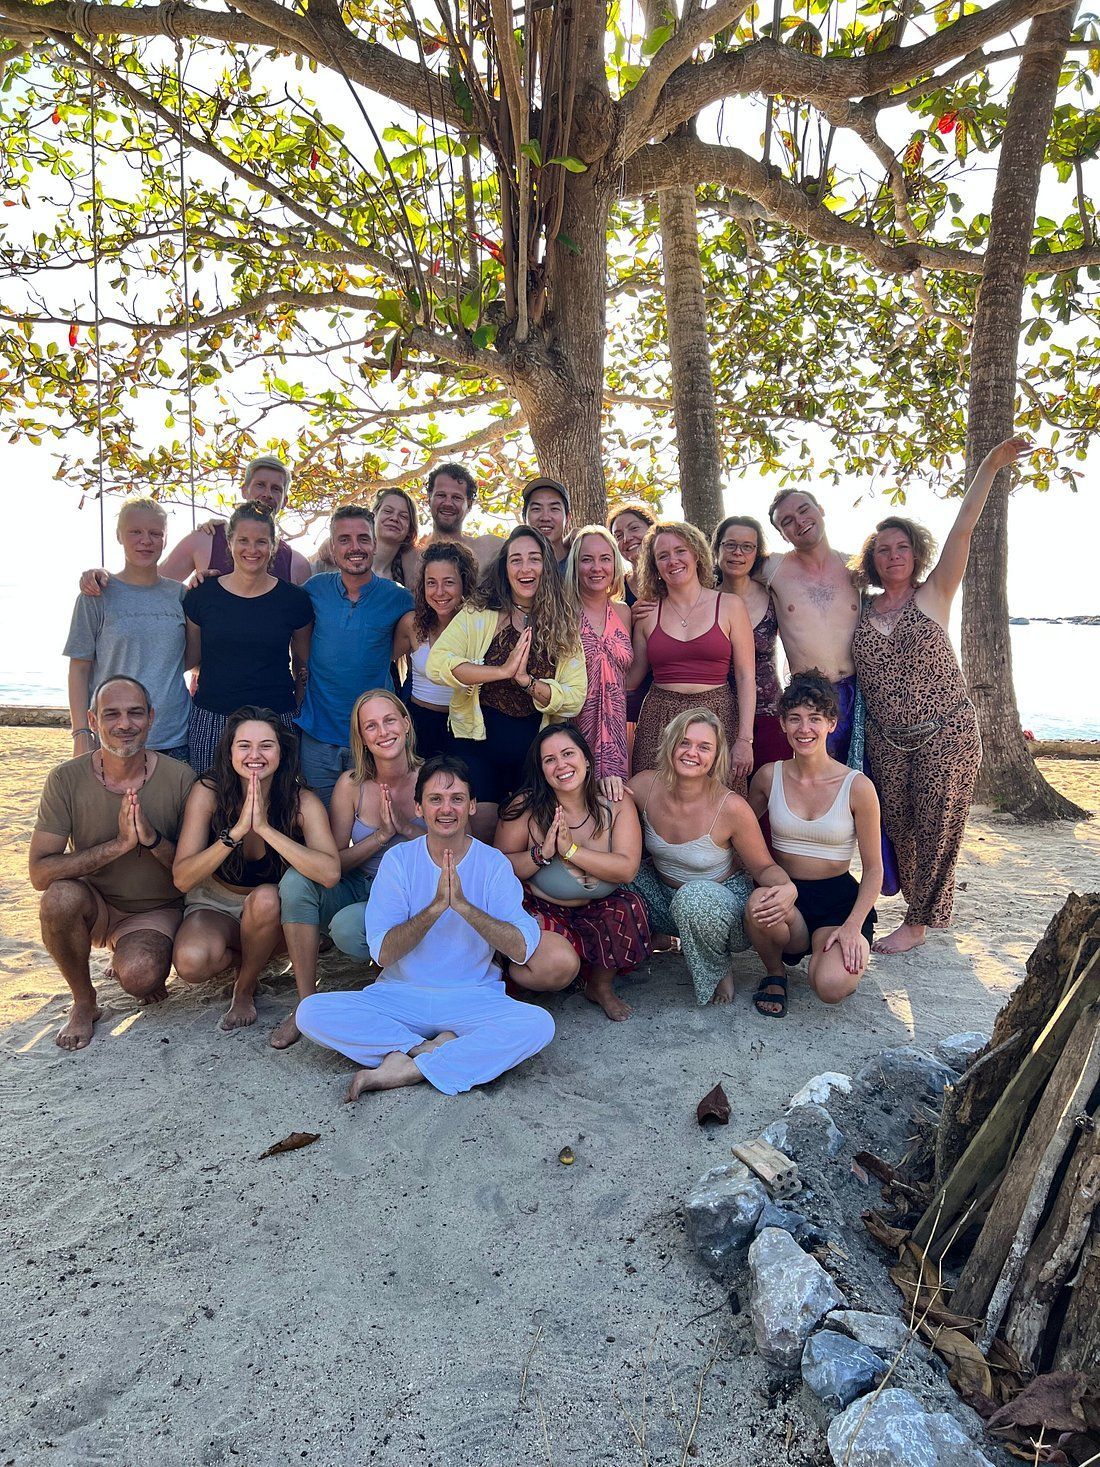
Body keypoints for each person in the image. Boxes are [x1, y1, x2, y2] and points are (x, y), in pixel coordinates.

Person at [850, 436, 1031, 955]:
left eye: (901, 546)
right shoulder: (861, 609)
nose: (892, 556)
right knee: (901, 828)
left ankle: (920, 919)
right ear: (872, 559)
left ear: (916, 552)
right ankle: (924, 903)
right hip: (887, 739)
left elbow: (964, 527)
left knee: (938, 821)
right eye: (882, 549)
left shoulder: (936, 594)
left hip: (945, 731)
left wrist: (993, 465)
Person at [295, 755, 555, 1100]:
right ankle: (426, 1049)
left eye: (457, 799)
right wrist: (434, 909)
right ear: (419, 808)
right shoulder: (398, 861)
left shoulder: (493, 864)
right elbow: (383, 952)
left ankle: (412, 1065)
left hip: (471, 995)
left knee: (539, 1025)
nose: (446, 809)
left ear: (472, 806)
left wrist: (463, 906)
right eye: (435, 799)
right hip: (401, 995)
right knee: (311, 1012)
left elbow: (521, 948)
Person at [29, 675, 196, 1050]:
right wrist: (118, 845)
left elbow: (193, 869)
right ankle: (85, 1000)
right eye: (112, 714)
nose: (124, 724)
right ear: (92, 721)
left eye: (135, 713)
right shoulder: (65, 779)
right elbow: (40, 873)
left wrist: (150, 839)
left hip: (157, 909)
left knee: (139, 977)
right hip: (96, 905)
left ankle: (129, 960)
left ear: (151, 717)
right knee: (57, 899)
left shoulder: (180, 777)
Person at [275, 690, 426, 1048]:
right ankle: (305, 1003)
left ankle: (394, 989)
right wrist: (380, 837)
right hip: (359, 883)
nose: (383, 731)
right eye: (370, 726)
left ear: (405, 723)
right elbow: (333, 862)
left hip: (409, 895)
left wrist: (405, 830)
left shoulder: (431, 777)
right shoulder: (351, 784)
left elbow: (452, 852)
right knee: (296, 882)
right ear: (361, 738)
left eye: (390, 720)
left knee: (347, 929)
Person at [172, 708, 339, 1031]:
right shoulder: (208, 792)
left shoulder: (300, 801)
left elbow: (330, 872)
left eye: (266, 745)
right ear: (229, 751)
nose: (255, 755)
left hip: (272, 911)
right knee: (191, 963)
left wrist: (264, 829)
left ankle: (244, 987)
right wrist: (234, 834)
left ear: (281, 751)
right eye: (244, 745)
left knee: (265, 899)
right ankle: (255, 957)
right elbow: (182, 878)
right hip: (214, 901)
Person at [627, 709, 796, 1007]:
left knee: (693, 897)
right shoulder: (644, 785)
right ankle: (654, 942)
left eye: (704, 747)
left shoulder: (731, 807)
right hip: (666, 898)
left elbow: (764, 866)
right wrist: (609, 787)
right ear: (670, 745)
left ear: (716, 756)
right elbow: (609, 816)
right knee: (616, 876)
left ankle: (719, 967)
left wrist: (787, 887)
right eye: (684, 743)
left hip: (721, 910)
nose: (692, 753)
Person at [427, 525, 586, 838]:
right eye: (516, 560)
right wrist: (500, 671)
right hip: (475, 744)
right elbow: (438, 664)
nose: (525, 568)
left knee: (520, 836)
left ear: (547, 567)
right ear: (505, 567)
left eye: (534, 559)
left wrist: (527, 682)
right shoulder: (479, 613)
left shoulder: (563, 623)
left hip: (533, 751)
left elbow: (575, 696)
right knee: (482, 831)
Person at [745, 672, 882, 1016]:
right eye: (795, 719)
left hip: (838, 901)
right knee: (759, 903)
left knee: (831, 987)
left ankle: (833, 957)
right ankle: (775, 973)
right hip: (786, 894)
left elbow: (874, 867)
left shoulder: (857, 786)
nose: (804, 729)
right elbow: (739, 834)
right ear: (783, 724)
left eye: (815, 719)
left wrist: (853, 926)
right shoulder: (768, 777)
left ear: (832, 723)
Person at [496, 726, 651, 1022]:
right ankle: (508, 969)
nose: (562, 765)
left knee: (627, 905)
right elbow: (498, 865)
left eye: (568, 754)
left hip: (599, 908)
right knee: (555, 969)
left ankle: (600, 986)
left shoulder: (615, 803)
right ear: (541, 770)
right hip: (543, 907)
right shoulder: (526, 807)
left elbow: (627, 868)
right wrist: (541, 854)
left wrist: (570, 851)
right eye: (550, 760)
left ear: (587, 759)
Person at [295, 505, 413, 805]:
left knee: (374, 827)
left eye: (363, 538)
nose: (355, 547)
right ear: (333, 548)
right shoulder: (314, 590)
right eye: (344, 539)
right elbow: (300, 641)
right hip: (318, 735)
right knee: (318, 826)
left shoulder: (398, 597)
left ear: (374, 544)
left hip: (374, 740)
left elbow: (412, 641)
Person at [182, 504, 314, 771]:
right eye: (243, 540)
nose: (252, 550)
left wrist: (297, 712)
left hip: (276, 719)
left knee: (275, 805)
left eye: (261, 542)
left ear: (273, 546)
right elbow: (191, 660)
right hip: (212, 718)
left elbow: (303, 663)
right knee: (209, 800)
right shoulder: (202, 594)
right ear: (229, 543)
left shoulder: (294, 600)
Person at [630, 521, 756, 794]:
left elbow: (746, 676)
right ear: (655, 566)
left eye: (680, 551)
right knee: (654, 805)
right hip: (659, 719)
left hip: (718, 716)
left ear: (697, 553)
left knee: (719, 806)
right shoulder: (646, 614)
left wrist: (745, 739)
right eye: (662, 556)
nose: (672, 560)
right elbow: (631, 679)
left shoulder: (730, 606)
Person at [65, 498, 192, 764]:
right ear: (119, 535)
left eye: (155, 533)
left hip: (175, 737)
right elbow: (79, 669)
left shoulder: (181, 595)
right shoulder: (96, 594)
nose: (146, 540)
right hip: (114, 738)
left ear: (165, 539)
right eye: (136, 531)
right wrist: (81, 733)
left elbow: (190, 660)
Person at [78, 456, 311, 594]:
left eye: (276, 489)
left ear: (285, 500)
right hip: (207, 676)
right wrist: (102, 577)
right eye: (260, 485)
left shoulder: (296, 564)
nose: (267, 494)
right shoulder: (204, 539)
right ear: (244, 490)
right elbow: (145, 583)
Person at [759, 489, 861, 760]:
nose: (799, 521)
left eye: (804, 510)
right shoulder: (772, 569)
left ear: (821, 509)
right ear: (782, 534)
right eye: (787, 521)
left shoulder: (854, 567)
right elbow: (723, 571)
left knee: (863, 782)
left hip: (858, 693)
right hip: (810, 697)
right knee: (818, 785)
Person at [391, 539, 479, 761]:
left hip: (464, 729)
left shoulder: (479, 626)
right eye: (431, 583)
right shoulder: (412, 624)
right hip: (419, 725)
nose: (439, 592)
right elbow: (381, 662)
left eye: (448, 582)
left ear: (464, 583)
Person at [564, 526, 634, 801]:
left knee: (616, 807)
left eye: (605, 558)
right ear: (575, 564)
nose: (597, 567)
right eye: (586, 559)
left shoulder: (624, 611)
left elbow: (631, 674)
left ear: (615, 564)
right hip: (574, 729)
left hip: (617, 733)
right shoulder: (562, 610)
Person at [712, 515, 786, 772]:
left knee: (769, 796)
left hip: (769, 715)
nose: (737, 553)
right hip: (717, 715)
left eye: (747, 546)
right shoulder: (704, 598)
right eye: (730, 544)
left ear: (757, 553)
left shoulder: (773, 595)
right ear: (717, 548)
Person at [609, 501, 657, 730]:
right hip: (631, 697)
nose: (626, 538)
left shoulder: (675, 578)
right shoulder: (616, 587)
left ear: (652, 529)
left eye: (634, 528)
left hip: (673, 690)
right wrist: (631, 621)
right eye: (618, 535)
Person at [372, 487, 421, 586]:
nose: (394, 518)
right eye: (388, 511)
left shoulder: (408, 581)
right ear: (374, 516)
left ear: (410, 530)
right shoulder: (344, 566)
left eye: (403, 516)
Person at [522, 477, 572, 573]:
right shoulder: (513, 570)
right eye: (536, 509)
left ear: (568, 518)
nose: (545, 517)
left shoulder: (580, 565)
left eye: (554, 508)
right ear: (524, 518)